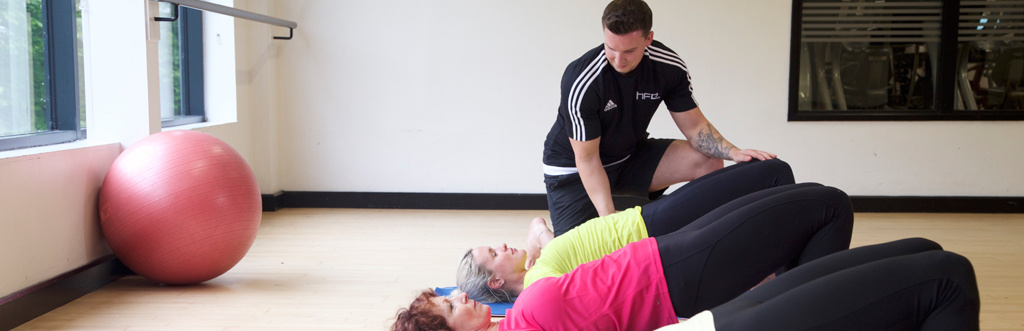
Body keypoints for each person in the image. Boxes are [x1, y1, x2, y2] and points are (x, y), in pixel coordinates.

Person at [542, 0, 777, 236]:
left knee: (709, 161)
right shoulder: (582, 80)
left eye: (629, 51)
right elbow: (588, 160)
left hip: (627, 157)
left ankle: (705, 239)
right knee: (577, 264)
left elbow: (695, 128)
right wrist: (610, 223)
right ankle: (541, 235)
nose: (618, 60)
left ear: (648, 39)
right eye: (610, 48)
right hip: (573, 169)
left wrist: (733, 152)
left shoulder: (667, 67)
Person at [392, 238, 980, 331]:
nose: (457, 295)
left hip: (700, 318)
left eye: (446, 294)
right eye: (446, 307)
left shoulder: (504, 319)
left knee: (924, 254)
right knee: (948, 276)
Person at [458, 158, 796, 303]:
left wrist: (539, 234)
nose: (501, 245)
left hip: (646, 218)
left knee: (772, 177)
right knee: (773, 174)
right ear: (495, 281)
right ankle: (795, 283)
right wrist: (539, 232)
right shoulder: (538, 285)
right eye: (494, 253)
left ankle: (792, 278)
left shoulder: (539, 269)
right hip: (652, 229)